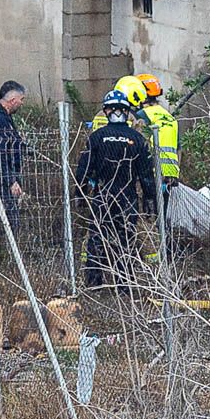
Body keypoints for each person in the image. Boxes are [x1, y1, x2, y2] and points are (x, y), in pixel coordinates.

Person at [75, 88, 156, 289]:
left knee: (97, 239)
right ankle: (124, 283)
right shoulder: (137, 139)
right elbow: (146, 174)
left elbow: (84, 170)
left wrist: (81, 192)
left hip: (103, 194)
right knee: (125, 240)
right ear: (127, 112)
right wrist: (149, 198)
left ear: (106, 111)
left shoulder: (96, 137)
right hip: (127, 196)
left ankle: (94, 283)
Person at [134, 73, 180, 186]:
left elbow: (137, 145)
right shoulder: (169, 117)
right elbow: (179, 148)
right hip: (170, 176)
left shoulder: (142, 115)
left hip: (152, 173)